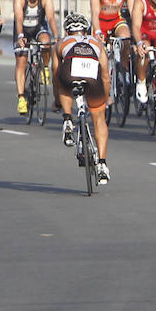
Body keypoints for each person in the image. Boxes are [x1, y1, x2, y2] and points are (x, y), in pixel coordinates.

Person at [54, 12, 111, 184]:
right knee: (99, 120)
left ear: (67, 31)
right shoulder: (96, 43)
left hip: (70, 69)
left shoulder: (62, 42)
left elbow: (55, 76)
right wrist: (105, 98)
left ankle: (68, 120)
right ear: (86, 31)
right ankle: (102, 163)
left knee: (63, 81)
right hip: (92, 74)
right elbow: (105, 75)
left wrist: (57, 101)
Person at [13, 0, 58, 116]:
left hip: (38, 27)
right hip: (23, 29)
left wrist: (56, 35)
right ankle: (21, 98)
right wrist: (20, 36)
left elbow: (50, 18)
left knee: (46, 43)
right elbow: (19, 19)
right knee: (21, 60)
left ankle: (44, 67)